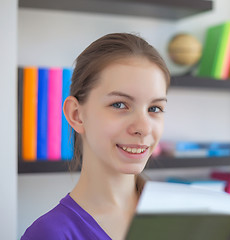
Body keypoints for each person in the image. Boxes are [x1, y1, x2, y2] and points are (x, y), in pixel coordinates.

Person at [21, 33, 171, 240]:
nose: (143, 128)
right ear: (76, 115)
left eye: (154, 108)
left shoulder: (181, 220)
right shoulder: (49, 234)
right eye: (119, 105)